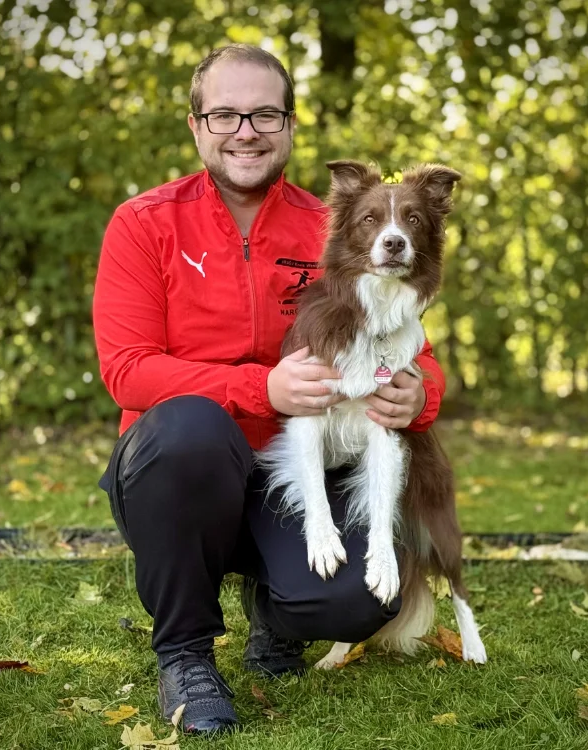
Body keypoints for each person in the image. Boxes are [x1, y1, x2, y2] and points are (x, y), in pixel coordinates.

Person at [93, 43, 446, 735]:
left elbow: (412, 349)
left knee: (358, 598)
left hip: (301, 467)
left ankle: (279, 614)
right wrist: (262, 389)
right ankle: (186, 653)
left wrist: (420, 395)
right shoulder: (144, 223)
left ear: (289, 126)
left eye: (263, 114)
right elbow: (127, 369)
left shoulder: (340, 224)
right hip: (180, 475)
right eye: (224, 114)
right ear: (196, 126)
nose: (245, 130)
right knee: (188, 428)